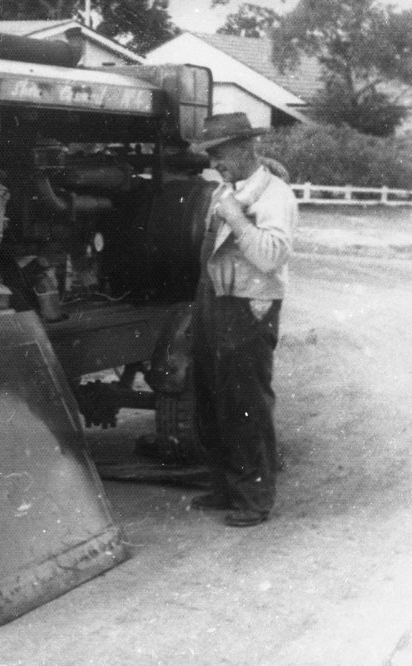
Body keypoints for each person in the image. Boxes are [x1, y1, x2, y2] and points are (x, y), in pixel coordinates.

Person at [189, 113, 299, 527]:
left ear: (246, 148)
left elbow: (271, 257)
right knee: (211, 396)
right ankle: (226, 488)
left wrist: (235, 217)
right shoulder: (228, 189)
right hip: (215, 298)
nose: (215, 162)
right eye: (211, 155)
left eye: (221, 153)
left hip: (250, 303)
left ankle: (254, 500)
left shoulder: (276, 196)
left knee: (246, 403)